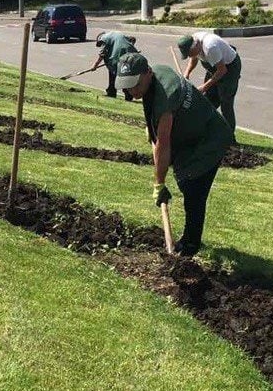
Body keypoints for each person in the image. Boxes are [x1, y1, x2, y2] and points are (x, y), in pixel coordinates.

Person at [116, 52, 233, 257]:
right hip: (192, 135)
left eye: (134, 84)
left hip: (210, 138)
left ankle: (190, 246)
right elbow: (157, 136)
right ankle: (188, 241)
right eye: (126, 84)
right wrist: (151, 129)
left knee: (192, 184)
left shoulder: (166, 96)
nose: (131, 90)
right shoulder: (154, 78)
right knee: (185, 178)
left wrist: (159, 183)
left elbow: (163, 144)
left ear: (148, 73)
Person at [178, 31, 241, 135]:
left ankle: (229, 138)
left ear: (196, 47)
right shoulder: (194, 42)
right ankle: (206, 131)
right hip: (214, 66)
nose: (189, 56)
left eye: (189, 53)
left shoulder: (210, 47)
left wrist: (204, 87)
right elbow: (194, 58)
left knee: (226, 103)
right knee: (208, 101)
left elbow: (222, 70)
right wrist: (187, 74)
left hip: (229, 68)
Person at [93, 31, 138, 98]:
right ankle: (128, 94)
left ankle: (112, 92)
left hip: (118, 57)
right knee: (126, 74)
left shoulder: (104, 38)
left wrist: (95, 65)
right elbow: (133, 39)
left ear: (100, 39)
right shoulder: (116, 34)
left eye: (100, 44)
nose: (101, 45)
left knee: (113, 73)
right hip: (131, 55)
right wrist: (130, 47)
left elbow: (102, 54)